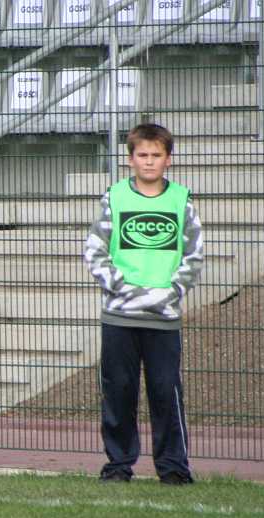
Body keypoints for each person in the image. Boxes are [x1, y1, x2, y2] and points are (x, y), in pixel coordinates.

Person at [83, 123, 204, 485]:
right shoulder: (114, 198)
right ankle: (118, 466)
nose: (149, 162)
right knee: (119, 392)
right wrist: (124, 290)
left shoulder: (181, 200)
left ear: (168, 159)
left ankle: (174, 469)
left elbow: (193, 256)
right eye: (142, 155)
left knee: (166, 393)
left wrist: (168, 294)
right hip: (119, 316)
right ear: (130, 159)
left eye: (156, 155)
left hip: (163, 317)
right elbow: (95, 252)